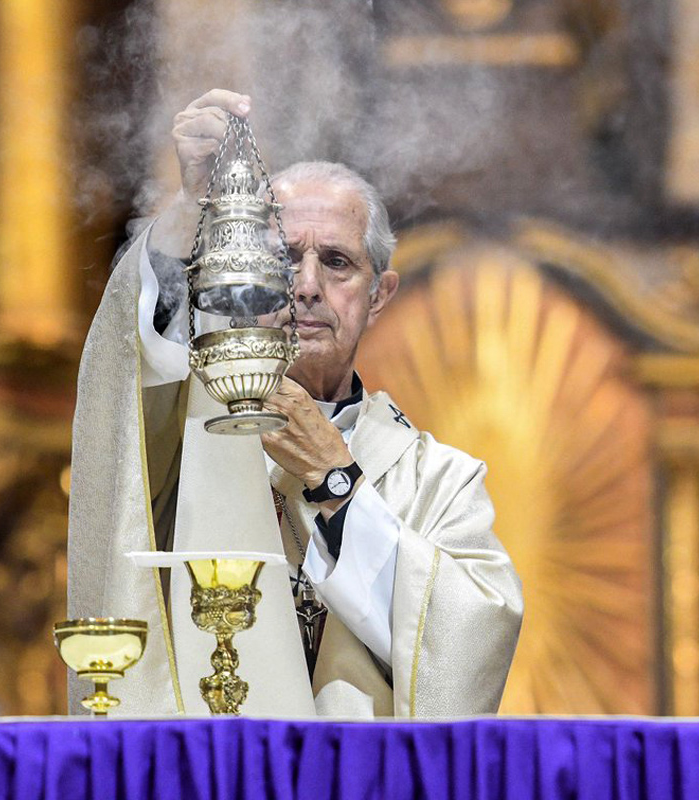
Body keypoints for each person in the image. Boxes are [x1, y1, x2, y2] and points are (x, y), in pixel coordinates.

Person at [67, 89, 523, 718]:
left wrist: (335, 486)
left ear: (379, 294)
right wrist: (189, 214)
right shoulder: (188, 438)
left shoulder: (440, 482)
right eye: (283, 258)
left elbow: (471, 649)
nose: (306, 287)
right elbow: (127, 378)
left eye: (336, 263)